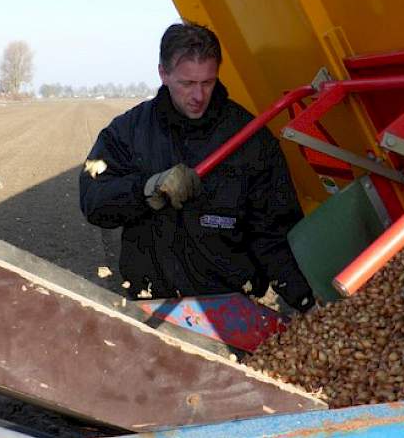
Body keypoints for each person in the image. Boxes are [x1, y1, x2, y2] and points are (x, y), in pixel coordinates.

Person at [79, 22, 314, 312]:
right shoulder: (128, 132)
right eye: (187, 83)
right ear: (163, 74)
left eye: (207, 82)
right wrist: (146, 189)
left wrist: (307, 302)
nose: (199, 96)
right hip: (152, 301)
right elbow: (93, 200)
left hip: (230, 309)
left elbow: (275, 232)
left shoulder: (251, 140)